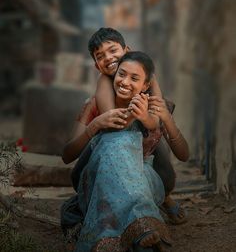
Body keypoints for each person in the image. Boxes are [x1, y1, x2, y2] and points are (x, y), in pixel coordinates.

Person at [62, 28, 189, 225]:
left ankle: (163, 197)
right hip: (109, 160)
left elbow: (156, 118)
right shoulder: (100, 92)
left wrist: (150, 117)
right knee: (116, 139)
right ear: (96, 65)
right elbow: (114, 127)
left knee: (153, 134)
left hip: (143, 159)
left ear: (126, 50)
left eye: (113, 51)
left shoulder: (146, 85)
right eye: (100, 56)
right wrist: (96, 125)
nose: (108, 58)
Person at [62, 51, 174, 252]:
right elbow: (67, 155)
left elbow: (178, 153)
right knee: (114, 143)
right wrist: (94, 126)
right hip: (100, 180)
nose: (125, 82)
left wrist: (146, 118)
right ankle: (142, 226)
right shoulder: (94, 105)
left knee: (131, 159)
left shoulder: (149, 110)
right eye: (122, 74)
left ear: (145, 85)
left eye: (135, 78)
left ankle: (133, 235)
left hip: (141, 178)